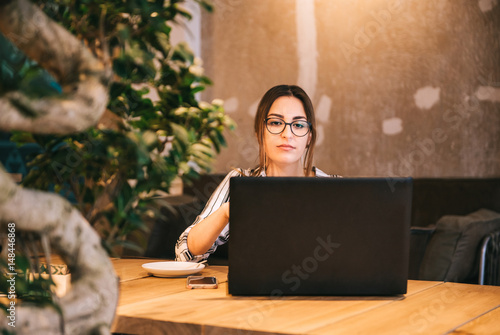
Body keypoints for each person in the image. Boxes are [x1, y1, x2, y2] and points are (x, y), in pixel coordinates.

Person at [175, 84, 339, 262]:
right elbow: (184, 255)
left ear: (309, 137)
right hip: (252, 289)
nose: (287, 134)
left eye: (298, 125)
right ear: (259, 133)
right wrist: (226, 211)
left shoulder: (336, 188)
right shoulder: (240, 182)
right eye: (276, 123)